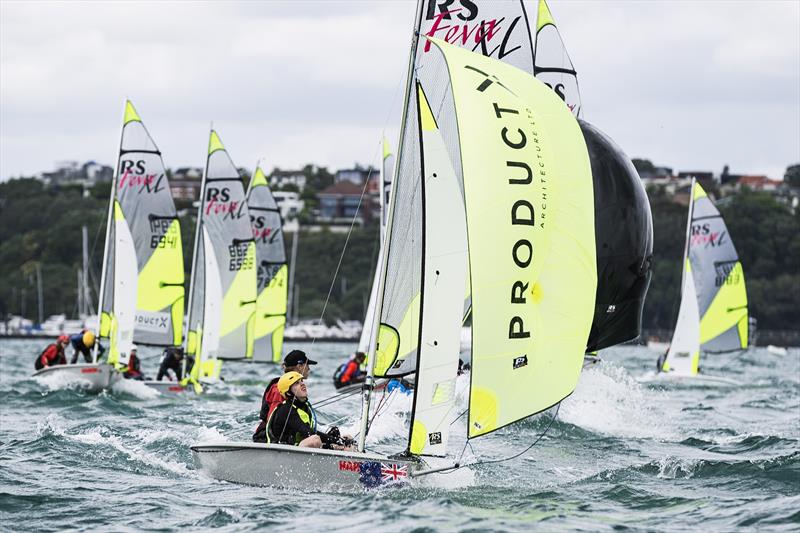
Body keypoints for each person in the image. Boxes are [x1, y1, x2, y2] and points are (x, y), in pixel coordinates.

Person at [266, 371, 353, 449]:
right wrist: (335, 442)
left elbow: (311, 431)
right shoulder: (286, 410)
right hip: (281, 452)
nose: (302, 384)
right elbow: (308, 433)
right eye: (296, 383)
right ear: (288, 392)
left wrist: (335, 438)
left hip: (297, 448)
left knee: (348, 438)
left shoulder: (304, 408)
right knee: (315, 440)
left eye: (301, 381)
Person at [252, 349, 316, 443]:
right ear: (299, 366)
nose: (309, 368)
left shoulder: (294, 390)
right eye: (307, 365)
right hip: (267, 440)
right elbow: (274, 422)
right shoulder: (279, 389)